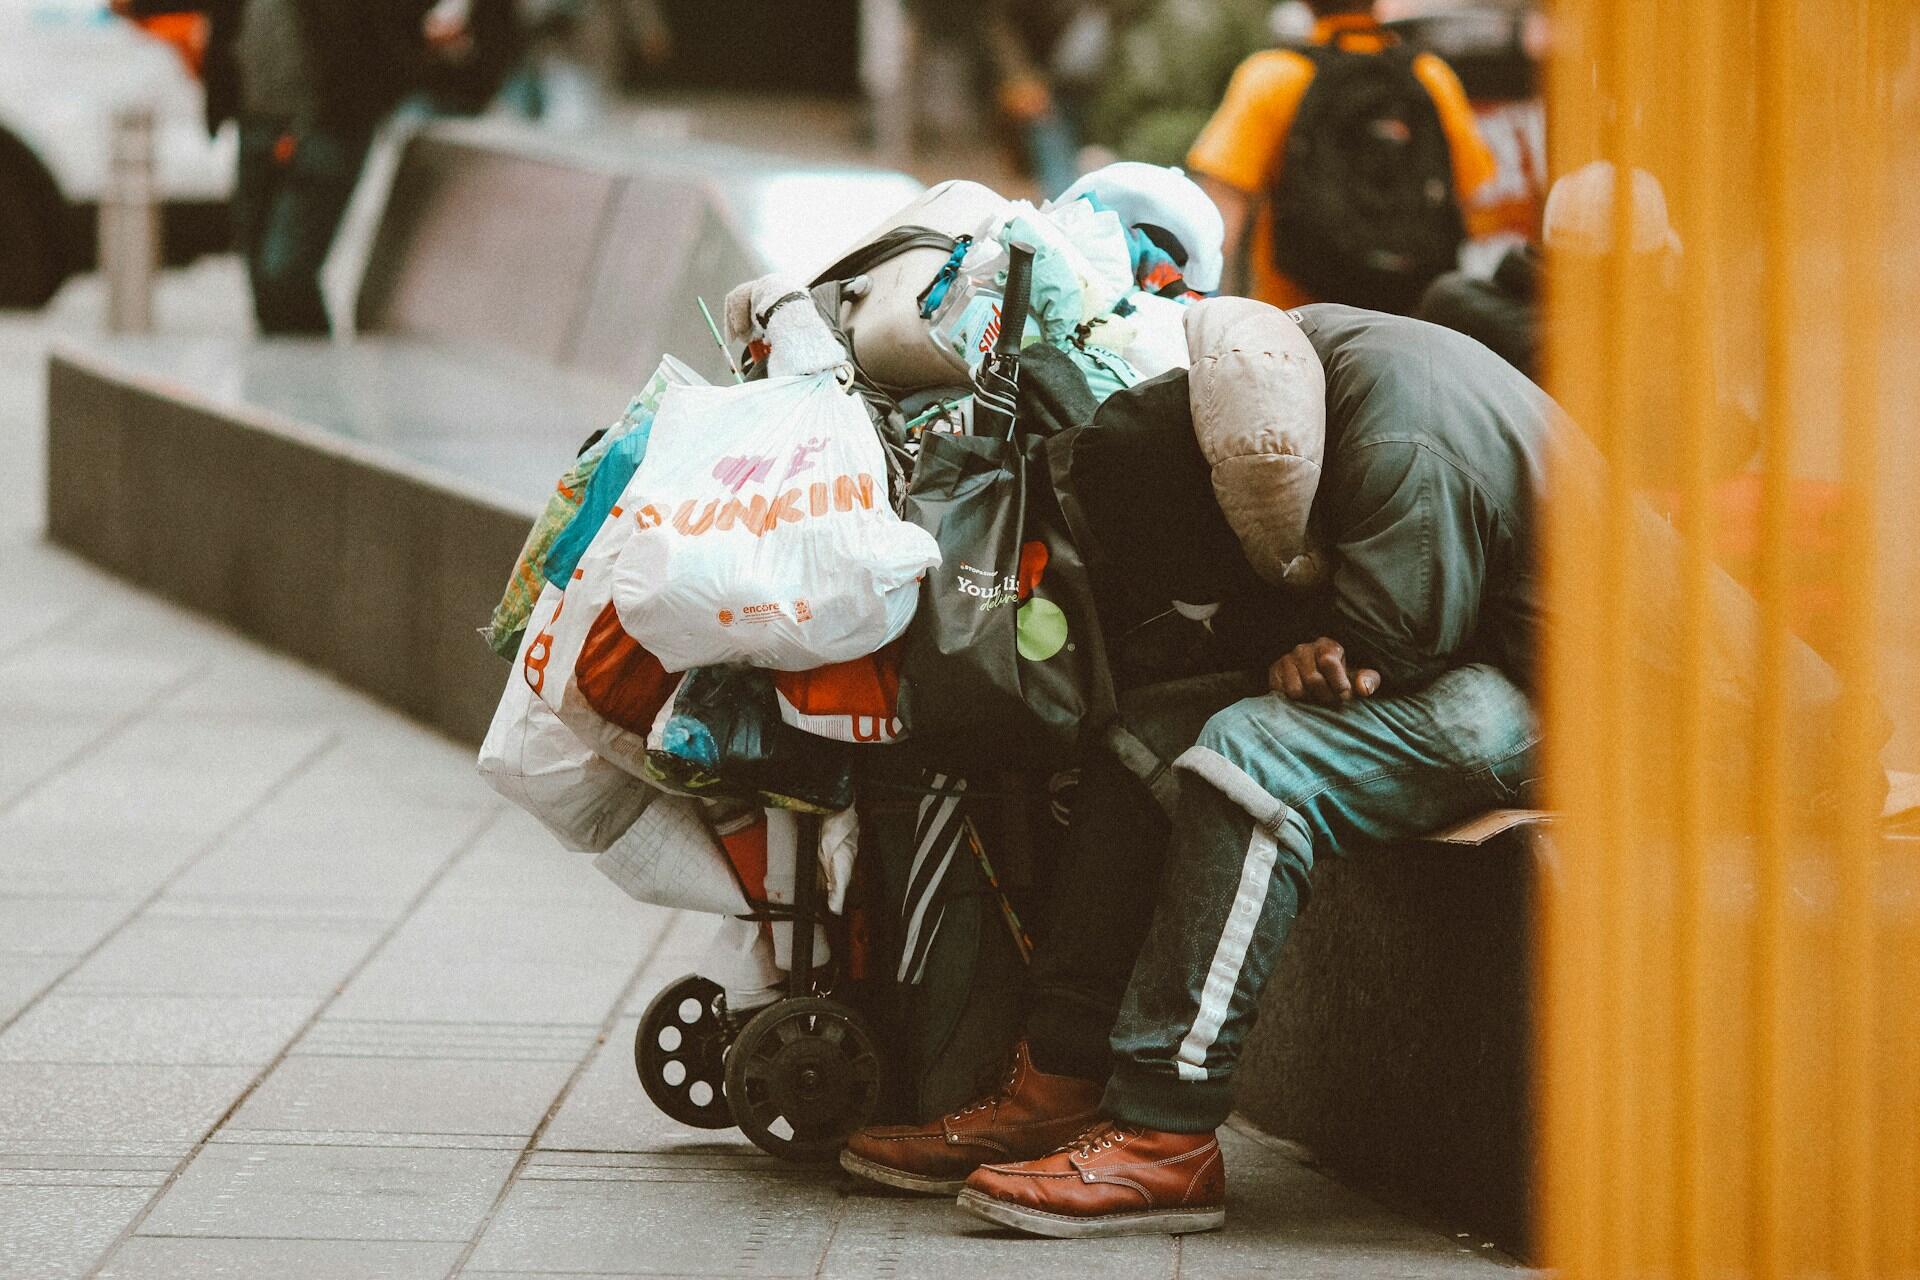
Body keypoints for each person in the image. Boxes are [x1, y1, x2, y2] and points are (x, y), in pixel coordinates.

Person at [841, 304, 1547, 1236]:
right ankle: (1058, 1081)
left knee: (1254, 757)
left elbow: (1396, 645)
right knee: (1146, 736)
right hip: (1470, 636)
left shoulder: (1399, 450)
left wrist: (1320, 652)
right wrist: (1304, 646)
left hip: (1576, 694)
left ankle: (1166, 1131)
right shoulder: (1292, 376)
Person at [1185, 0, 1496, 312]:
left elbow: (1216, 224)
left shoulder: (1275, 75)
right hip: (1411, 319)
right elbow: (1475, 201)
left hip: (1297, 321)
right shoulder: (1430, 75)